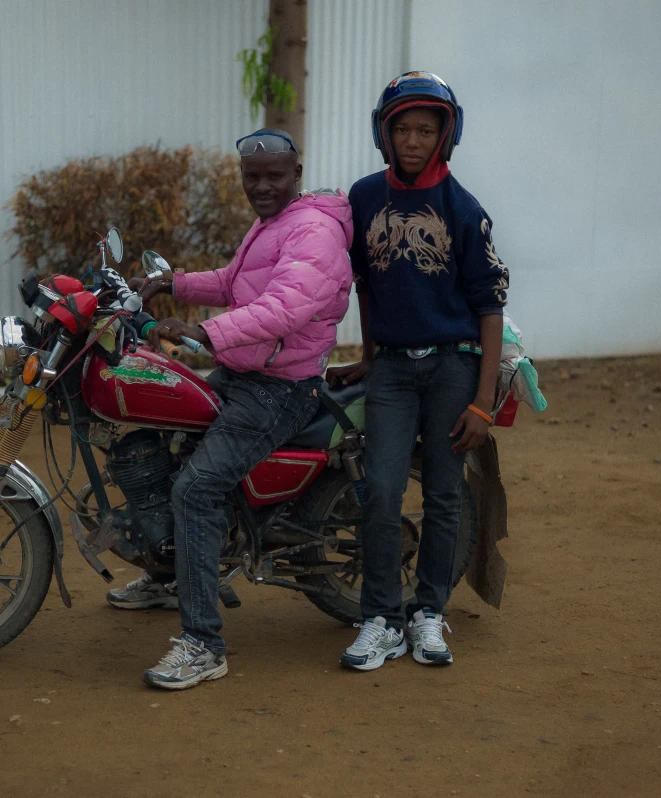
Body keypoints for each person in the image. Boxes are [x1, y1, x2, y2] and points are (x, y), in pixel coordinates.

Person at [138, 127, 353, 690]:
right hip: (245, 370)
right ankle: (172, 574)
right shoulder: (272, 223)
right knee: (168, 439)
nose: (261, 186)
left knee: (197, 488)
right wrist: (169, 283)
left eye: (273, 175)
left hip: (278, 388)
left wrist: (202, 334)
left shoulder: (314, 231)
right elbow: (236, 284)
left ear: (296, 174)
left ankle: (204, 644)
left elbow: (282, 308)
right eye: (251, 177)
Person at [327, 72, 510, 671]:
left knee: (442, 493)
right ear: (384, 133)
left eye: (425, 130)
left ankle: (429, 612)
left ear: (445, 135)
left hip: (455, 368)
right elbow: (365, 283)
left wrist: (483, 402)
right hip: (395, 374)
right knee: (379, 489)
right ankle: (379, 618)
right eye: (401, 129)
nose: (412, 140)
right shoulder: (363, 197)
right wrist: (372, 355)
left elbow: (488, 308)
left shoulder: (464, 210)